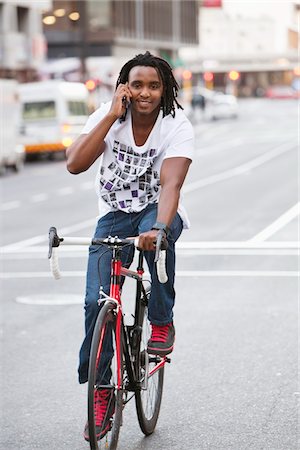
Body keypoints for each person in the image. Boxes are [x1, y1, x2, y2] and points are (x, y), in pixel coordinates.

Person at [66, 51, 194, 441]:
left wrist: (157, 227)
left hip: (155, 209)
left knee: (160, 241)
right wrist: (109, 117)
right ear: (125, 86)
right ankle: (102, 392)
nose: (145, 93)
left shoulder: (175, 124)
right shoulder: (107, 116)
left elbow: (171, 184)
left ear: (165, 89)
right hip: (115, 214)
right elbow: (74, 163)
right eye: (137, 85)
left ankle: (160, 319)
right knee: (96, 302)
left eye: (153, 85)